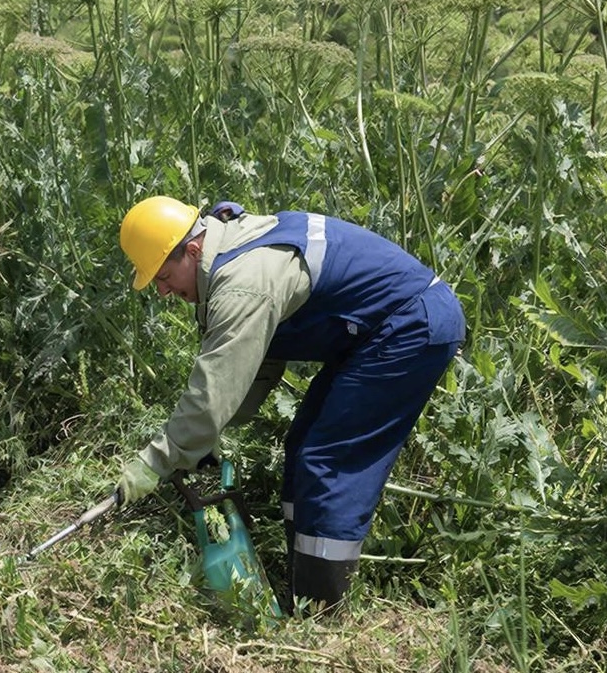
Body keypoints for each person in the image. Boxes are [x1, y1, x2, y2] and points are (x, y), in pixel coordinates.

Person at [113, 196, 464, 613]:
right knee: (301, 447)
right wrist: (204, 438)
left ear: (192, 250)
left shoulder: (242, 283)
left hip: (409, 326)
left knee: (327, 461)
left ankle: (320, 615)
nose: (164, 289)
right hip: (374, 333)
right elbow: (253, 369)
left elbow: (212, 392)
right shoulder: (230, 251)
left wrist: (156, 462)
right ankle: (302, 588)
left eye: (165, 275)